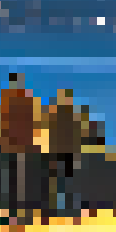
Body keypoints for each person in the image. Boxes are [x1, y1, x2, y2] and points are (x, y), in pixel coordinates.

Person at [0, 73, 39, 232]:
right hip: (21, 145)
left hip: (13, 145)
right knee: (20, 182)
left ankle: (15, 217)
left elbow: (3, 121)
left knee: (14, 182)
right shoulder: (25, 98)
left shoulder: (7, 98)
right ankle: (20, 216)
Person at [44, 87, 86, 223]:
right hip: (65, 153)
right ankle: (68, 212)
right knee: (64, 183)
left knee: (62, 183)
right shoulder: (71, 116)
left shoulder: (57, 115)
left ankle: (64, 211)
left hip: (63, 153)